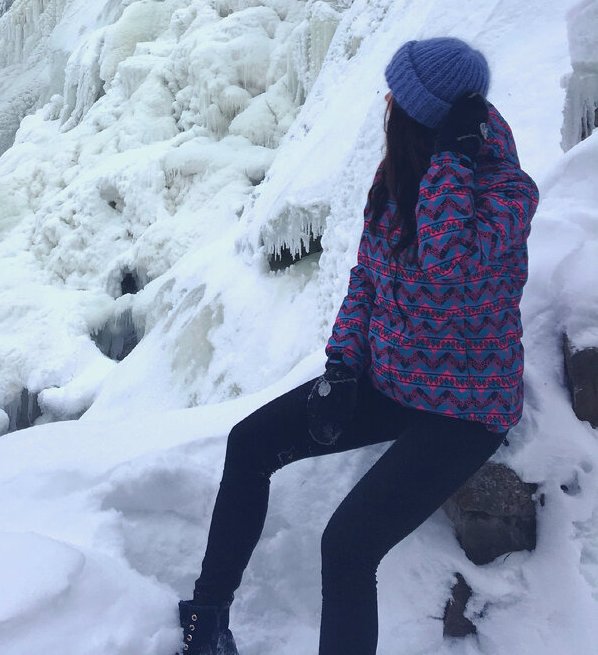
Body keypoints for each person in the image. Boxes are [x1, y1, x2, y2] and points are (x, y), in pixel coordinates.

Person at [177, 37, 539, 655]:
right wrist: (343, 366)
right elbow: (368, 278)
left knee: (346, 546)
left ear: (432, 118)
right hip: (392, 381)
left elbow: (446, 260)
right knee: (250, 443)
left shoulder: (505, 192)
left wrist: (453, 161)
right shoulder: (399, 173)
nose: (388, 106)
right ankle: (206, 618)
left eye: (399, 98)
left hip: (466, 408)